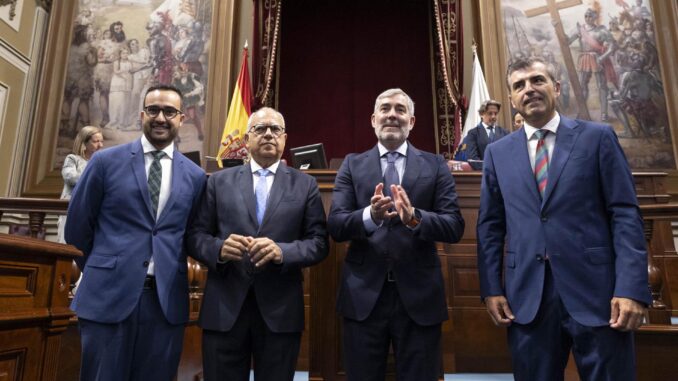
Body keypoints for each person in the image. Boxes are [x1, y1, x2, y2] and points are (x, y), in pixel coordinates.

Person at [477, 57, 650, 381]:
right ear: (512, 99)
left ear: (556, 87)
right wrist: (491, 288)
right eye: (519, 85)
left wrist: (631, 287)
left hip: (599, 295)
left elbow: (625, 213)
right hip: (527, 299)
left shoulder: (598, 138)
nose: (529, 89)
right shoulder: (497, 153)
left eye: (537, 80)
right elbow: (490, 225)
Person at [65, 84, 206, 381]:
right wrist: (110, 264)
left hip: (164, 303)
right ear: (142, 114)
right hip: (107, 295)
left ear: (181, 119)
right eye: (153, 110)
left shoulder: (195, 176)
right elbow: (78, 226)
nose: (160, 117)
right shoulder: (105, 162)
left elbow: (192, 232)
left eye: (170, 111)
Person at [328, 88, 465, 381]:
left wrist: (415, 218)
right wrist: (370, 216)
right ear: (373, 119)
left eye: (400, 110)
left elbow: (454, 226)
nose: (392, 114)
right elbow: (336, 225)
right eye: (385, 109)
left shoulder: (436, 164)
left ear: (412, 121)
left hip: (420, 297)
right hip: (363, 298)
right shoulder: (351, 164)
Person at [186, 107, 328, 381]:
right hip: (224, 309)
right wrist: (219, 249)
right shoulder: (217, 181)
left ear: (285, 139)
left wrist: (282, 252)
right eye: (260, 129)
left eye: (275, 129)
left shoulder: (305, 185)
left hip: (280, 311)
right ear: (247, 139)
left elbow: (319, 242)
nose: (268, 134)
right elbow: (195, 236)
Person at [568, 8, 618, 121]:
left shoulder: (601, 30)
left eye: (590, 16)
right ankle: (582, 112)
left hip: (597, 59)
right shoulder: (580, 30)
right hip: (585, 58)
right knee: (582, 86)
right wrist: (556, 26)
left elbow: (612, 46)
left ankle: (604, 113)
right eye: (586, 16)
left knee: (602, 86)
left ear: (595, 17)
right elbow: (567, 41)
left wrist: (602, 57)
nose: (588, 18)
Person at [57, 126, 104, 244]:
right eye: (96, 141)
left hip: (91, 212)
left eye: (101, 141)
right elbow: (70, 177)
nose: (100, 145)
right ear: (84, 143)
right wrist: (95, 181)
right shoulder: (73, 159)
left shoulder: (101, 164)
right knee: (66, 246)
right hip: (70, 208)